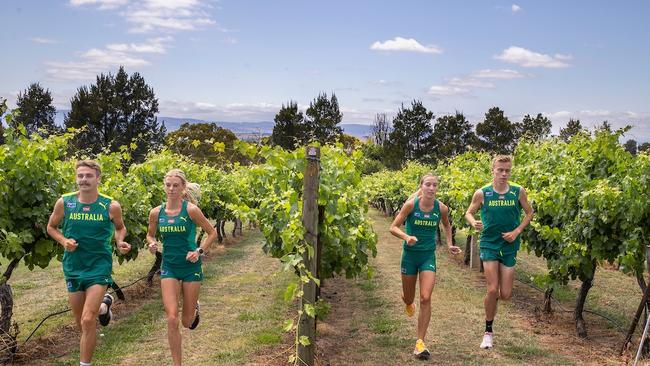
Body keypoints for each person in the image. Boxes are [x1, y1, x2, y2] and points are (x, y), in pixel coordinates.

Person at [47, 160, 132, 366]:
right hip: (73, 267)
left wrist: (120, 241)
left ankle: (85, 364)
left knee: (87, 320)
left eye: (88, 176)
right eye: (80, 176)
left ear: (98, 179)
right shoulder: (64, 202)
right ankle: (104, 308)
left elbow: (120, 228)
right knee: (82, 323)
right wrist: (63, 241)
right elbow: (51, 227)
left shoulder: (110, 205)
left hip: (98, 266)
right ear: (76, 178)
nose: (84, 179)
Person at [146, 169, 217, 366]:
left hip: (190, 267)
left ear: (183, 188)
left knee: (187, 322)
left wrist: (199, 251)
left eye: (175, 185)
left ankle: (194, 307)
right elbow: (150, 234)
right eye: (168, 185)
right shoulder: (156, 212)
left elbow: (212, 233)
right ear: (164, 186)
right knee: (171, 318)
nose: (171, 189)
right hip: (169, 267)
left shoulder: (191, 210)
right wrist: (152, 243)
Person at [464, 155, 534, 349]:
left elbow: (530, 212)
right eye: (500, 170)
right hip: (489, 243)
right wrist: (473, 222)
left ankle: (492, 304)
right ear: (492, 170)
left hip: (509, 245)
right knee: (492, 289)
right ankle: (488, 331)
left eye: (507, 170)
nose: (504, 174)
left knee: (506, 294)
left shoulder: (518, 192)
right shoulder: (482, 193)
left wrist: (517, 231)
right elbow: (469, 212)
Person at [390, 173, 462, 359]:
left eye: (434, 185)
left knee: (425, 297)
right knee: (409, 298)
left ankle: (420, 343)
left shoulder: (441, 208)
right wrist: (407, 237)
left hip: (428, 257)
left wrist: (449, 244)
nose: (431, 188)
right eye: (428, 184)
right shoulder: (411, 205)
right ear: (421, 186)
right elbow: (393, 227)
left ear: (437, 188)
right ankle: (407, 299)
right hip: (409, 257)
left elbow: (447, 226)